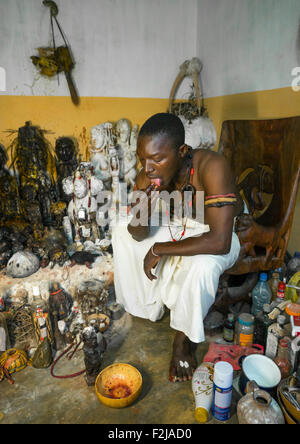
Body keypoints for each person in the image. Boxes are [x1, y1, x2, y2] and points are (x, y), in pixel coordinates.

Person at [111, 113, 242, 382]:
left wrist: (161, 249)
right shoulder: (148, 175)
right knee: (119, 229)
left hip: (218, 232)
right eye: (142, 159)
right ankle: (153, 304)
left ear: (182, 152)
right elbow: (136, 235)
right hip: (180, 225)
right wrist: (142, 213)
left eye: (157, 159)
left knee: (202, 266)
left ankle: (183, 340)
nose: (148, 168)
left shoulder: (211, 166)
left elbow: (220, 241)